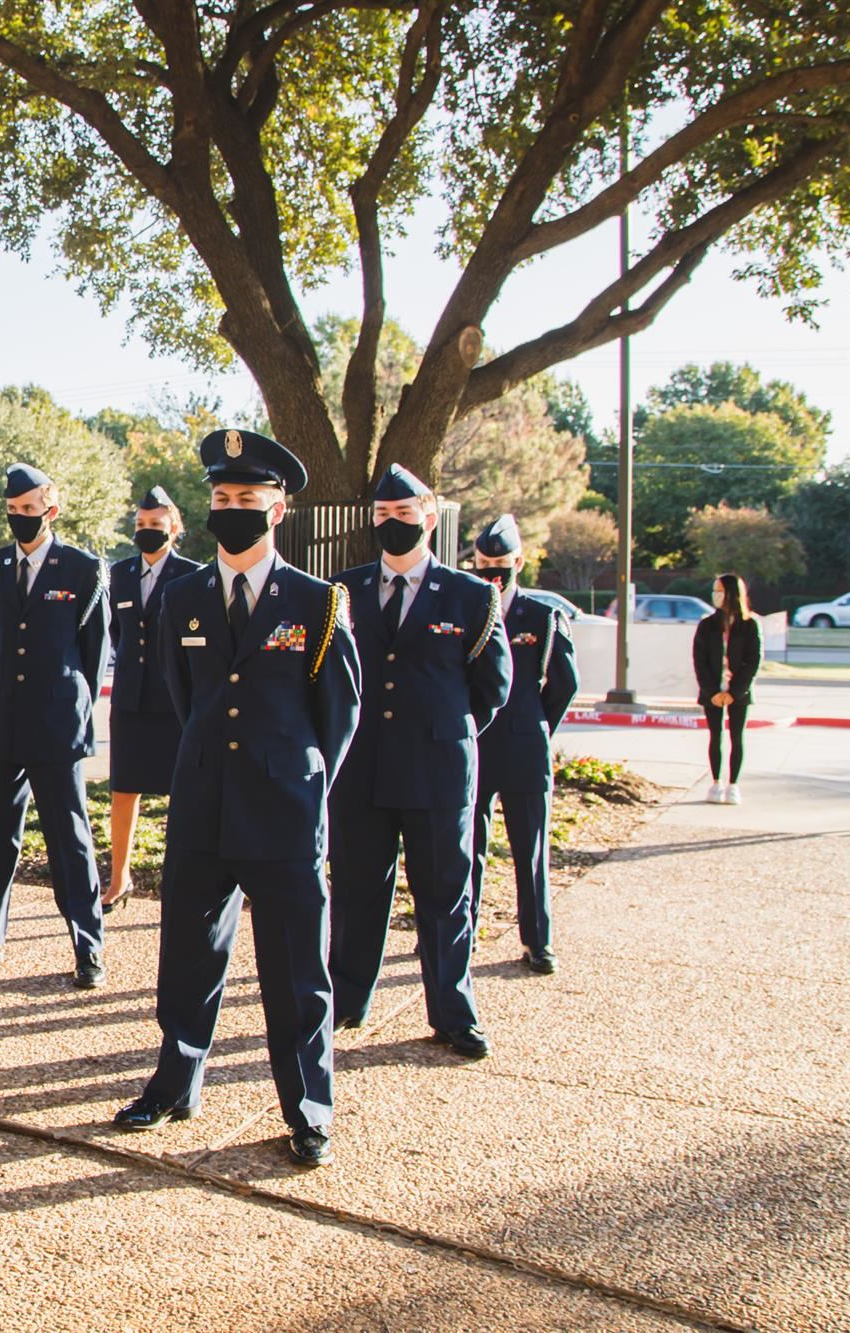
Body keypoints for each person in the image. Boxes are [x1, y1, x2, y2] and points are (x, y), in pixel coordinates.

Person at [112, 428, 359, 1168]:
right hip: (203, 805)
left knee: (295, 971)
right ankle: (175, 1082)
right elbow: (186, 700)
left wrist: (303, 787)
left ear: (278, 510)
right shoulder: (182, 596)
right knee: (188, 955)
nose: (233, 510)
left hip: (284, 811)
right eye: (222, 499)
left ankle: (308, 1108)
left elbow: (337, 720)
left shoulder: (317, 602)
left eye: (248, 500)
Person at [328, 465, 513, 1059]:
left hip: (436, 772)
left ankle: (452, 1013)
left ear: (430, 519)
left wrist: (440, 735)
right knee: (357, 891)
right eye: (383, 516)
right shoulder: (342, 591)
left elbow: (493, 689)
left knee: (444, 897)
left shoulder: (471, 594)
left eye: (405, 516)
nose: (393, 525)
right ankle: (347, 1000)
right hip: (361, 773)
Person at [0, 464, 110, 989]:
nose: (20, 520)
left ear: (51, 511)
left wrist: (72, 708)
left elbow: (94, 654)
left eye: (29, 511)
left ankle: (88, 945)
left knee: (68, 836)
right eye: (12, 512)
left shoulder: (82, 568)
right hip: (4, 717)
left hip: (56, 722)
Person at [467, 514, 579, 974]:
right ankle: (463, 933)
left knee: (529, 850)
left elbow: (564, 685)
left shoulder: (542, 616)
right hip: (475, 744)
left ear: (520, 561)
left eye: (502, 562)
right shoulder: (467, 607)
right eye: (484, 562)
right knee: (465, 847)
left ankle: (537, 941)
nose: (493, 570)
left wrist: (536, 726)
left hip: (524, 749)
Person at [103, 486, 201, 912]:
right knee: (124, 789)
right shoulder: (120, 574)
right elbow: (118, 633)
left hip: (176, 701)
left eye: (155, 525)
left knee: (182, 792)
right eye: (140, 525)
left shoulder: (194, 576)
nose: (146, 531)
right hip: (131, 698)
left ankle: (177, 877)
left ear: (174, 528)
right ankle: (119, 876)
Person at [694, 572, 762, 805]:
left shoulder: (750, 625)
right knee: (715, 735)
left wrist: (734, 692)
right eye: (714, 590)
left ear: (732, 593)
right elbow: (699, 661)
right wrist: (712, 692)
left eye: (720, 590)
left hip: (738, 694)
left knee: (736, 736)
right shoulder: (706, 625)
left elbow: (753, 661)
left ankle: (733, 785)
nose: (715, 595)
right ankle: (715, 783)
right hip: (712, 691)